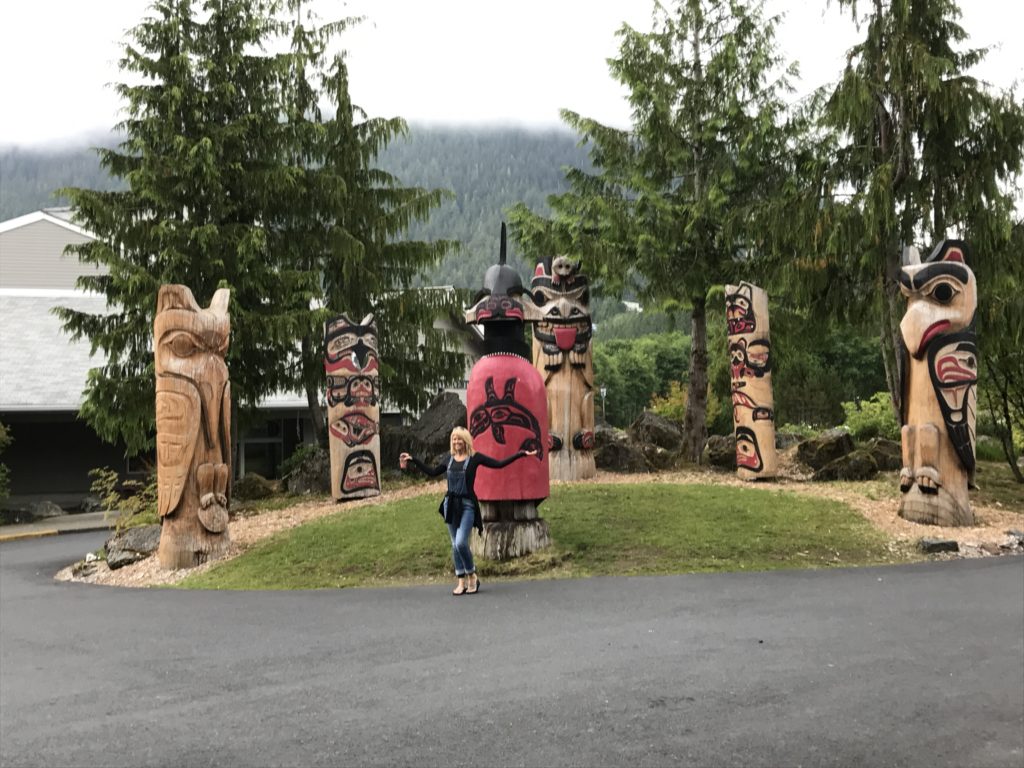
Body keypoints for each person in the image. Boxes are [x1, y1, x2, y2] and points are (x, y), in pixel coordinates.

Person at [400, 427, 537, 596]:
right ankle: (461, 581)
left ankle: (472, 575)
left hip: (467, 505)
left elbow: (499, 464)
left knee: (460, 543)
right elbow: (432, 472)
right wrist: (413, 459)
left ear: (466, 441)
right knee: (454, 544)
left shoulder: (475, 458)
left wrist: (521, 454)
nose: (457, 442)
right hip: (450, 505)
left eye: (460, 439)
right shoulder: (448, 459)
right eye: (454, 439)